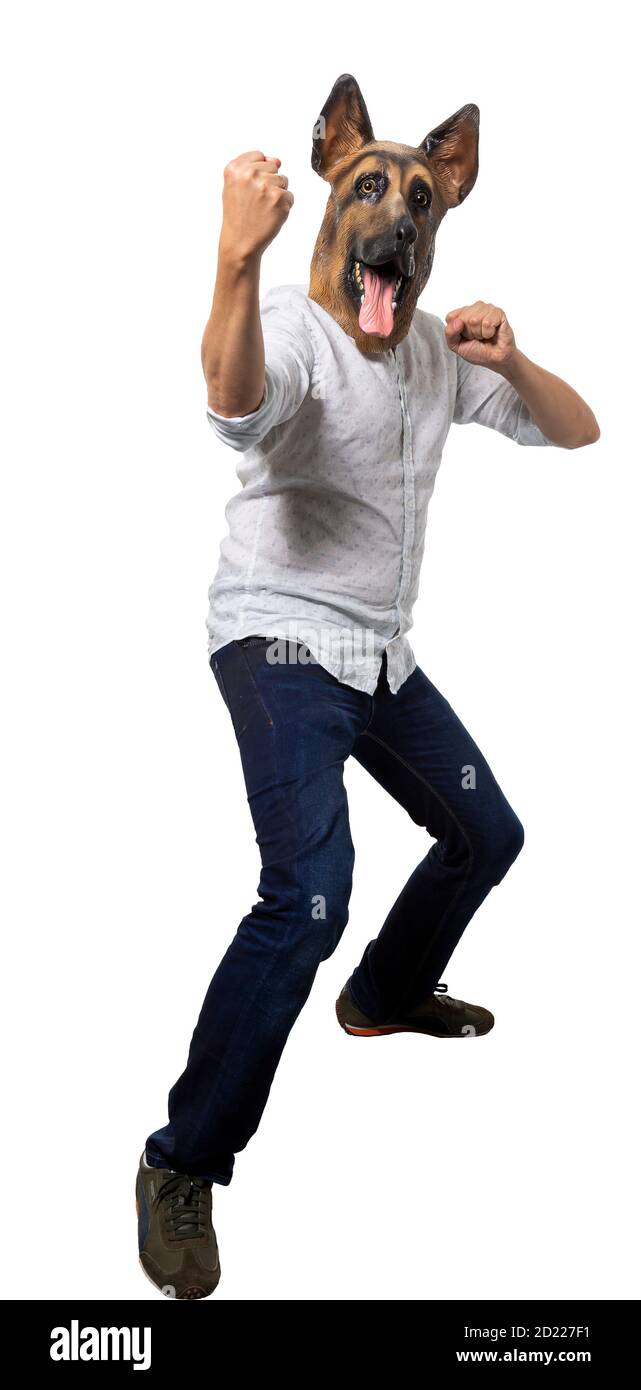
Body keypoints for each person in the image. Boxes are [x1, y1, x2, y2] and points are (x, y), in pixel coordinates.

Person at [136, 80, 599, 1300]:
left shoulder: (442, 355)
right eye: (367, 192)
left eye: (420, 198)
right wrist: (234, 263)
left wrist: (517, 355)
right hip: (278, 643)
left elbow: (578, 430)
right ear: (330, 208)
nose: (393, 215)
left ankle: (387, 993)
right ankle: (182, 1158)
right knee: (306, 896)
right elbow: (235, 402)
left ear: (442, 215)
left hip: (380, 659)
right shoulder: (290, 325)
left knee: (487, 833)